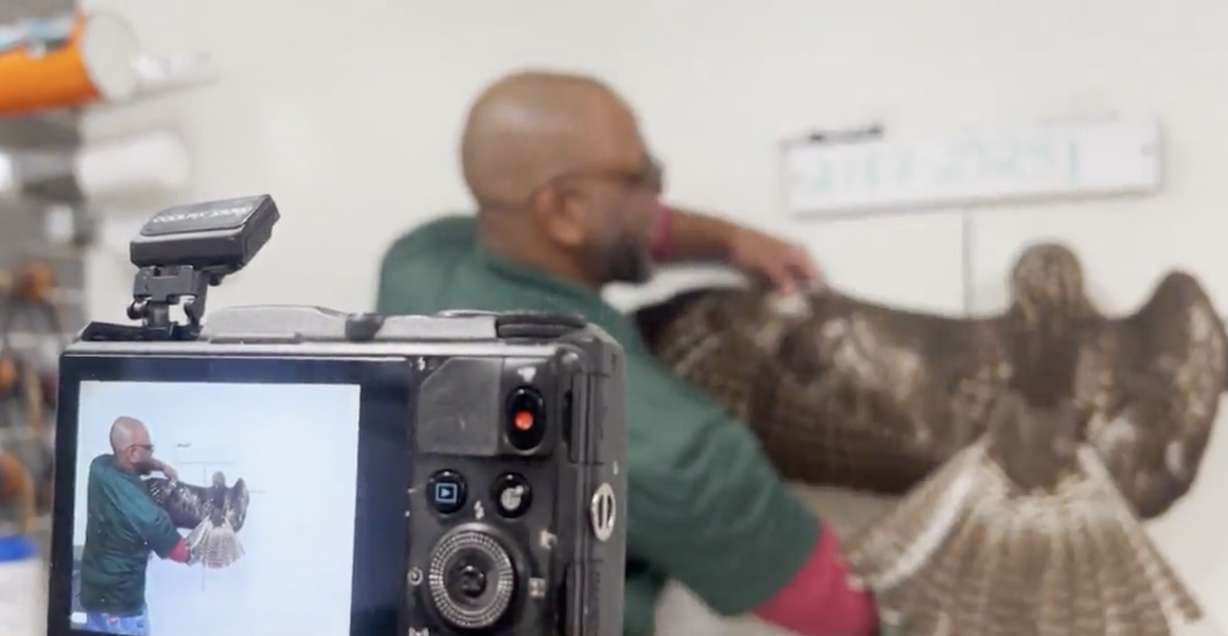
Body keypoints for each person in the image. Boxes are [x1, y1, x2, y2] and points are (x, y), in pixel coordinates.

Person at [377, 70, 880, 636]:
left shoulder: (418, 259)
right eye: (644, 177)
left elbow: (639, 231)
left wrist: (732, 240)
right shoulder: (674, 453)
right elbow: (854, 615)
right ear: (565, 211)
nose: (659, 197)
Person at [79, 416, 191, 636]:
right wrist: (205, 545)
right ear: (132, 452)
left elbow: (135, 463)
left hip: (93, 597)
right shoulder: (146, 511)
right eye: (149, 448)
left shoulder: (99, 466)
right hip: (122, 610)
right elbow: (179, 551)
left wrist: (160, 466)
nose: (151, 452)